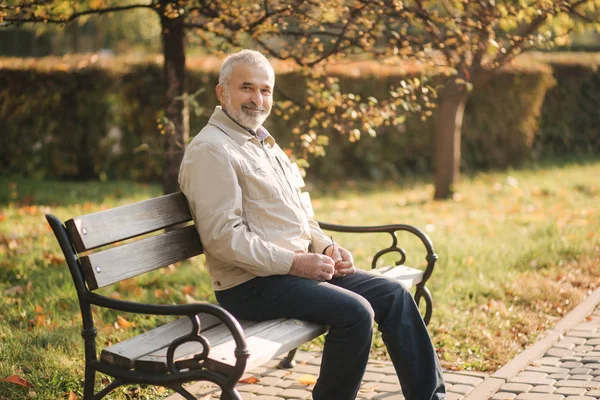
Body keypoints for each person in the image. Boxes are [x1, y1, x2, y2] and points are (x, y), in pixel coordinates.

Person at [178, 49, 446, 400]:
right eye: (247, 88)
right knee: (355, 313)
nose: (257, 99)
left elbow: (300, 216)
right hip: (250, 285)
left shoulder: (264, 143)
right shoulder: (212, 151)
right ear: (222, 92)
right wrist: (294, 262)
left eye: (266, 90)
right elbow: (222, 238)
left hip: (291, 274)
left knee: (393, 295)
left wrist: (325, 247)